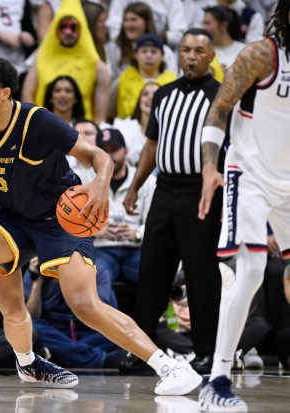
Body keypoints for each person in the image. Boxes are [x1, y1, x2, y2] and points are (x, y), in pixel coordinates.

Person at [0, 55, 201, 395]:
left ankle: (172, 367)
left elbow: (99, 157)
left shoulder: (39, 120)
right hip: (15, 218)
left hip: (61, 219)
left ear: (5, 93)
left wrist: (100, 186)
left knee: (84, 304)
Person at [197, 2, 290, 410]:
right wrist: (209, 167)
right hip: (248, 173)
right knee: (251, 268)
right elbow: (218, 111)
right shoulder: (261, 54)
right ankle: (216, 381)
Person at [121, 28, 223, 375]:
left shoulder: (223, 96)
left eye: (198, 50)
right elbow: (151, 146)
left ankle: (206, 352)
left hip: (201, 192)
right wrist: (135, 186)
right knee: (152, 271)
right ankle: (142, 350)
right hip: (165, 189)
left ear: (211, 57)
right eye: (185, 50)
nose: (191, 56)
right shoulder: (163, 95)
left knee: (201, 273)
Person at [94, 128, 155, 309]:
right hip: (101, 248)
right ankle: (109, 333)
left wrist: (136, 233)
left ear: (126, 151)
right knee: (97, 275)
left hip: (135, 248)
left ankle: (151, 327)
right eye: (103, 150)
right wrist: (95, 231)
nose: (109, 155)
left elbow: (154, 220)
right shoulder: (86, 179)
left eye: (114, 149)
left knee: (154, 272)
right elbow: (72, 221)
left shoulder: (146, 180)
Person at [22, 0, 109, 124]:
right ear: (56, 29)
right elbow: (27, 96)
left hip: (82, 130)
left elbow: (101, 116)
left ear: (81, 29)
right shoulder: (40, 58)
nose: (68, 32)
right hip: (44, 127)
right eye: (63, 27)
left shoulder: (98, 66)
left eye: (73, 27)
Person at [113, 33, 176, 119]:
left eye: (154, 52)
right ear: (135, 55)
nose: (148, 56)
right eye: (144, 51)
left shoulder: (173, 81)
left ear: (162, 56)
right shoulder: (124, 78)